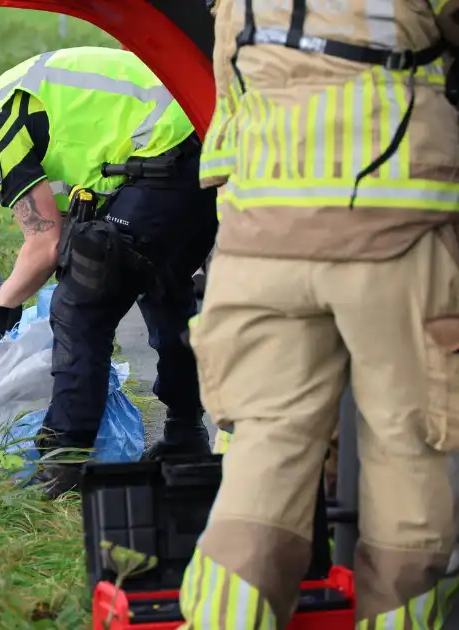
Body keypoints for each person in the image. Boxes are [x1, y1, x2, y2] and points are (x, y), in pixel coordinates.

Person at [174, 0, 459, 621]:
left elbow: (229, 100)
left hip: (258, 235)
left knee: (266, 447)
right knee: (407, 445)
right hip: (394, 222)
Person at [0, 46, 219, 498]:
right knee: (162, 289)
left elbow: (43, 244)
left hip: (166, 153)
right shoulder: (6, 99)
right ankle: (186, 434)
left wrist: (0, 309)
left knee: (79, 304)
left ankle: (63, 462)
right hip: (197, 143)